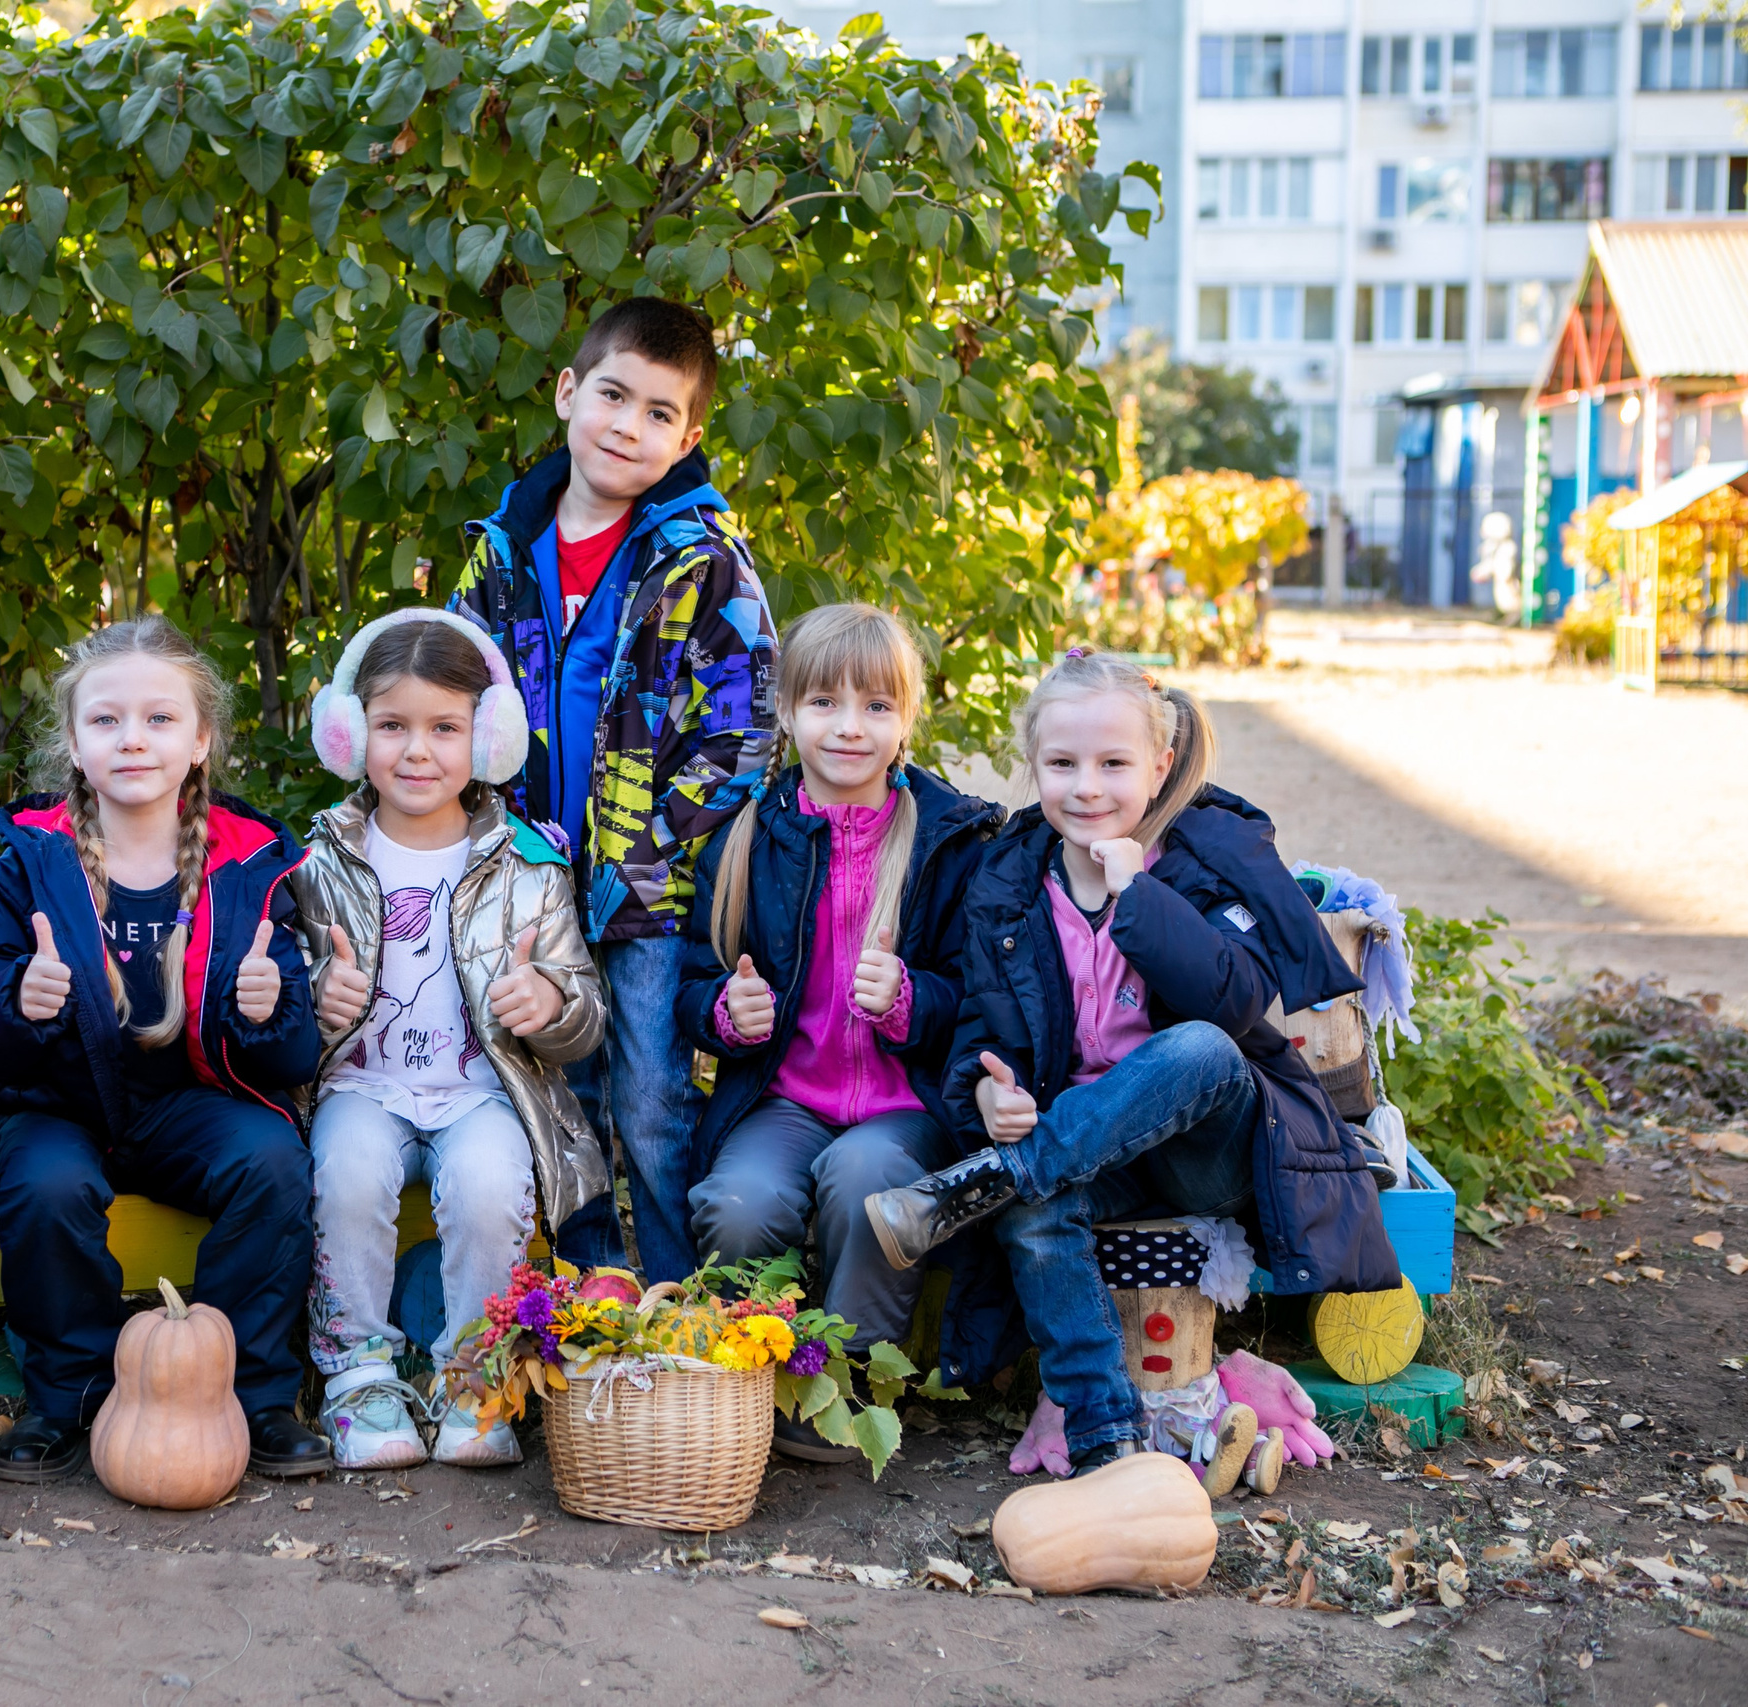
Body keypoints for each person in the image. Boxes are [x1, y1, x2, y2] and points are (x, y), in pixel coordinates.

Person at [863, 649, 1399, 1475]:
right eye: (1063, 763)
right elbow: (978, 1032)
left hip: (1204, 1151)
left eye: (1113, 764)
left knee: (1197, 1048)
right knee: (1034, 1206)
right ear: (1032, 765)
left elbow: (1236, 1003)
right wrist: (986, 1097)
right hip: (1087, 1146)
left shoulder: (1205, 858)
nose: (1087, 787)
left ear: (1160, 764)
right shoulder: (1008, 880)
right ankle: (1104, 1438)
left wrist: (1140, 898)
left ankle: (1000, 1173)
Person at [0, 617, 329, 1482]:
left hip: (194, 1103)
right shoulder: (30, 866)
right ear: (74, 745)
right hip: (63, 1106)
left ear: (200, 742)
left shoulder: (247, 865)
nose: (133, 739)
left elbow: (294, 1054)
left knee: (272, 1161)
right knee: (43, 1186)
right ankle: (69, 1397)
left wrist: (266, 1011)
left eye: (159, 719)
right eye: (106, 720)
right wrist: (17, 1001)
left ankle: (248, 1394)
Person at [449, 296, 779, 1282]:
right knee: (561, 1093)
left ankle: (682, 1308)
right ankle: (591, 1297)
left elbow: (744, 729)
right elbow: (453, 702)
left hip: (648, 895)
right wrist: (487, 834)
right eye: (611, 396)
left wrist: (659, 844)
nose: (626, 427)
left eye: (656, 412)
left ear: (686, 435)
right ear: (567, 393)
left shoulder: (702, 558)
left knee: (648, 1102)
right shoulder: (502, 554)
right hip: (531, 886)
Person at [675, 605, 1000, 1460]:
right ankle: (753, 1368)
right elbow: (690, 976)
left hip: (907, 1101)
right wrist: (724, 1012)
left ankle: (846, 1379)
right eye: (824, 703)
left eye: (877, 707)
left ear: (907, 718)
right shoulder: (749, 837)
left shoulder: (951, 842)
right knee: (738, 1203)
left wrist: (910, 998)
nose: (850, 727)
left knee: (868, 1185)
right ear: (787, 711)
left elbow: (984, 994)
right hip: (787, 1096)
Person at [291, 608, 606, 1469]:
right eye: (392, 725)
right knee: (347, 1173)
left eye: (445, 727)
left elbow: (588, 1007)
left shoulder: (527, 864)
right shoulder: (320, 861)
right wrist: (315, 996)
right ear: (350, 733)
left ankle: (474, 1380)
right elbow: (276, 992)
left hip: (483, 1092)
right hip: (362, 1084)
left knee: (491, 1182)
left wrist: (550, 1000)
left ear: (491, 738)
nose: (417, 750)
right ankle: (358, 1378)